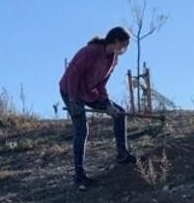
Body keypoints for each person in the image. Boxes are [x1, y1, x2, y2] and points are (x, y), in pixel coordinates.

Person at [59, 27, 137, 189]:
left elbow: (101, 84)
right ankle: (79, 176)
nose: (125, 48)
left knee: (119, 113)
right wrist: (73, 102)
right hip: (70, 91)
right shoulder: (91, 52)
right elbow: (73, 75)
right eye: (124, 44)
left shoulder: (113, 59)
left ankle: (122, 155)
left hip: (89, 92)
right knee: (82, 130)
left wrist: (107, 104)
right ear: (115, 41)